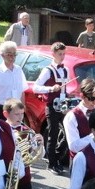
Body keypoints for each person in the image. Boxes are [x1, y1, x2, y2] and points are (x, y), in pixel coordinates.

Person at [32, 42, 71, 174]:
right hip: (52, 106)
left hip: (63, 105)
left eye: (64, 54)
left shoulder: (65, 69)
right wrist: (50, 88)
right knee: (53, 135)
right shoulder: (48, 70)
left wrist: (68, 94)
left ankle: (56, 157)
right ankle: (52, 164)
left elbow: (65, 87)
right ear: (53, 54)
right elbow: (35, 87)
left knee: (68, 134)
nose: (62, 56)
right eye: (60, 54)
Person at [64, 78, 95, 158]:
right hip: (80, 164)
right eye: (91, 99)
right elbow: (73, 147)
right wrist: (94, 136)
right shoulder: (72, 116)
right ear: (82, 96)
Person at [0, 41, 26, 109]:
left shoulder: (19, 69)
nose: (12, 57)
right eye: (9, 54)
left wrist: (22, 107)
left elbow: (22, 91)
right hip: (2, 108)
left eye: (14, 54)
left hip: (17, 108)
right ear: (2, 55)